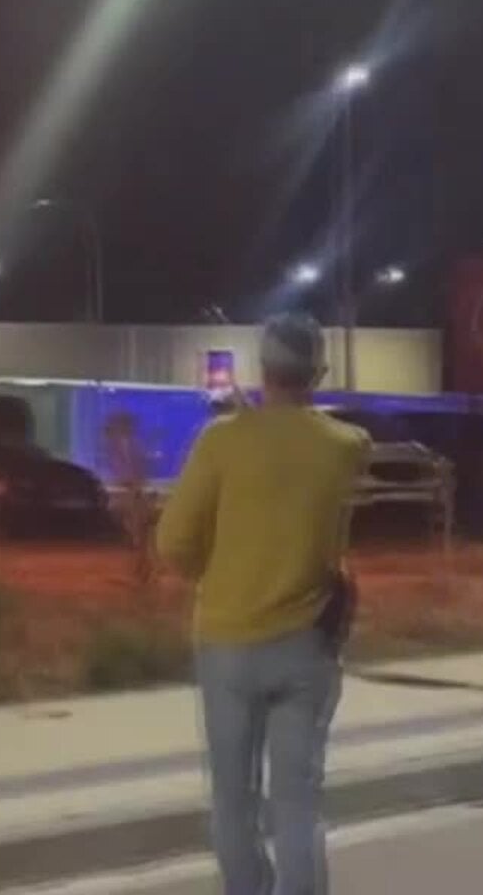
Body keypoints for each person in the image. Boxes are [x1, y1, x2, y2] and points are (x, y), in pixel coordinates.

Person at [157, 312, 369, 895]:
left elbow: (173, 541)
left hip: (226, 644)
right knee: (297, 806)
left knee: (233, 801)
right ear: (318, 372)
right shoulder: (346, 446)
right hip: (305, 646)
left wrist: (220, 574)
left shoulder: (222, 440)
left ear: (261, 369)